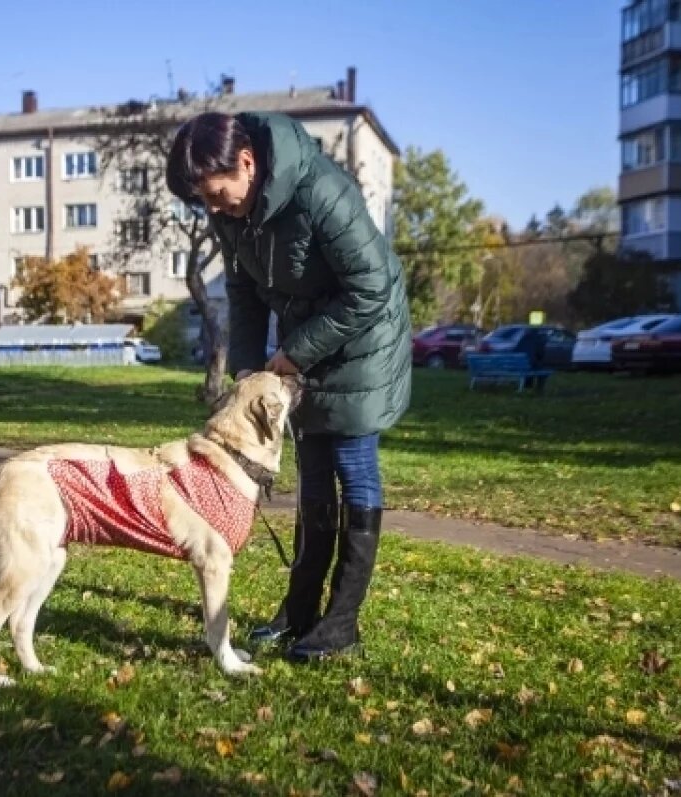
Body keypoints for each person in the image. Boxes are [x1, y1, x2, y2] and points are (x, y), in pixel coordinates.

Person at [166, 111, 412, 662]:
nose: (213, 207)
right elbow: (243, 292)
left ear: (247, 163)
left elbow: (369, 286)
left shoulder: (321, 191)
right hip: (304, 339)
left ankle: (341, 620)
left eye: (216, 193)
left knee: (352, 465)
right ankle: (300, 610)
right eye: (202, 200)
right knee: (314, 473)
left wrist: (293, 354)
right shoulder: (232, 215)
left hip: (364, 334)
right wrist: (250, 374)